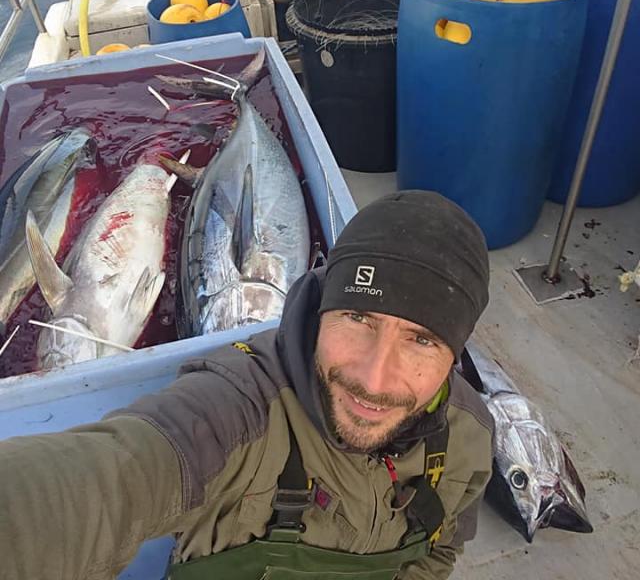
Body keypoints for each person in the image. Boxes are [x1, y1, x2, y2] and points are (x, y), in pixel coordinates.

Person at [1, 190, 494, 580]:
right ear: (321, 308)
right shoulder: (237, 409)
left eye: (421, 340)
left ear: (455, 355)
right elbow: (103, 484)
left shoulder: (468, 435)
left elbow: (440, 548)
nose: (372, 377)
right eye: (358, 316)